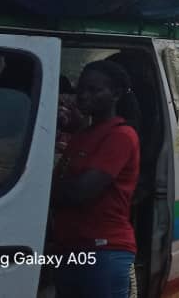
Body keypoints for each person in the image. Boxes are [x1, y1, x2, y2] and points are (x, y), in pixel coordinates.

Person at [51, 60, 141, 298]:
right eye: (81, 88)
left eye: (94, 90)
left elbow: (81, 192)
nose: (83, 95)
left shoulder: (121, 136)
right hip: (71, 247)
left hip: (104, 251)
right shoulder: (83, 135)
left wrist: (37, 191)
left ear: (116, 94)